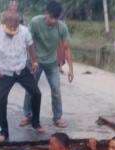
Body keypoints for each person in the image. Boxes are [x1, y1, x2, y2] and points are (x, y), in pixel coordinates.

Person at [0, 10, 44, 143]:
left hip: (21, 70)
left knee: (36, 93)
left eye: (16, 25)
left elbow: (31, 45)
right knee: (1, 100)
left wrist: (34, 61)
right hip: (3, 72)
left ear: (18, 23)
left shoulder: (24, 31)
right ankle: (4, 131)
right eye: (10, 25)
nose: (13, 28)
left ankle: (35, 122)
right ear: (3, 23)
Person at [20, 1, 74, 129]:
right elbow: (27, 43)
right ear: (46, 13)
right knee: (30, 89)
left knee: (56, 89)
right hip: (35, 61)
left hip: (52, 63)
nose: (53, 21)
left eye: (56, 18)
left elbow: (66, 48)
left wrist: (71, 69)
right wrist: (31, 61)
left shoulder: (62, 27)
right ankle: (28, 115)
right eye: (51, 17)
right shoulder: (35, 22)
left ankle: (57, 117)